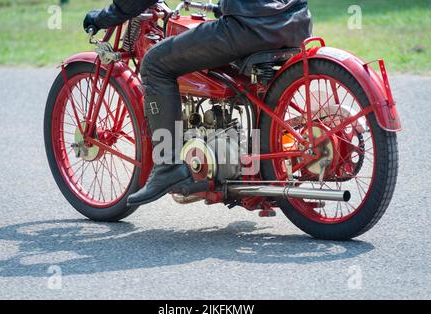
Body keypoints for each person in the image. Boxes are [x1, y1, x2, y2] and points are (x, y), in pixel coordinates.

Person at [83, 0, 312, 206]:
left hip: (249, 28)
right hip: (295, 22)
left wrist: (106, 16)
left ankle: (168, 165)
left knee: (155, 63)